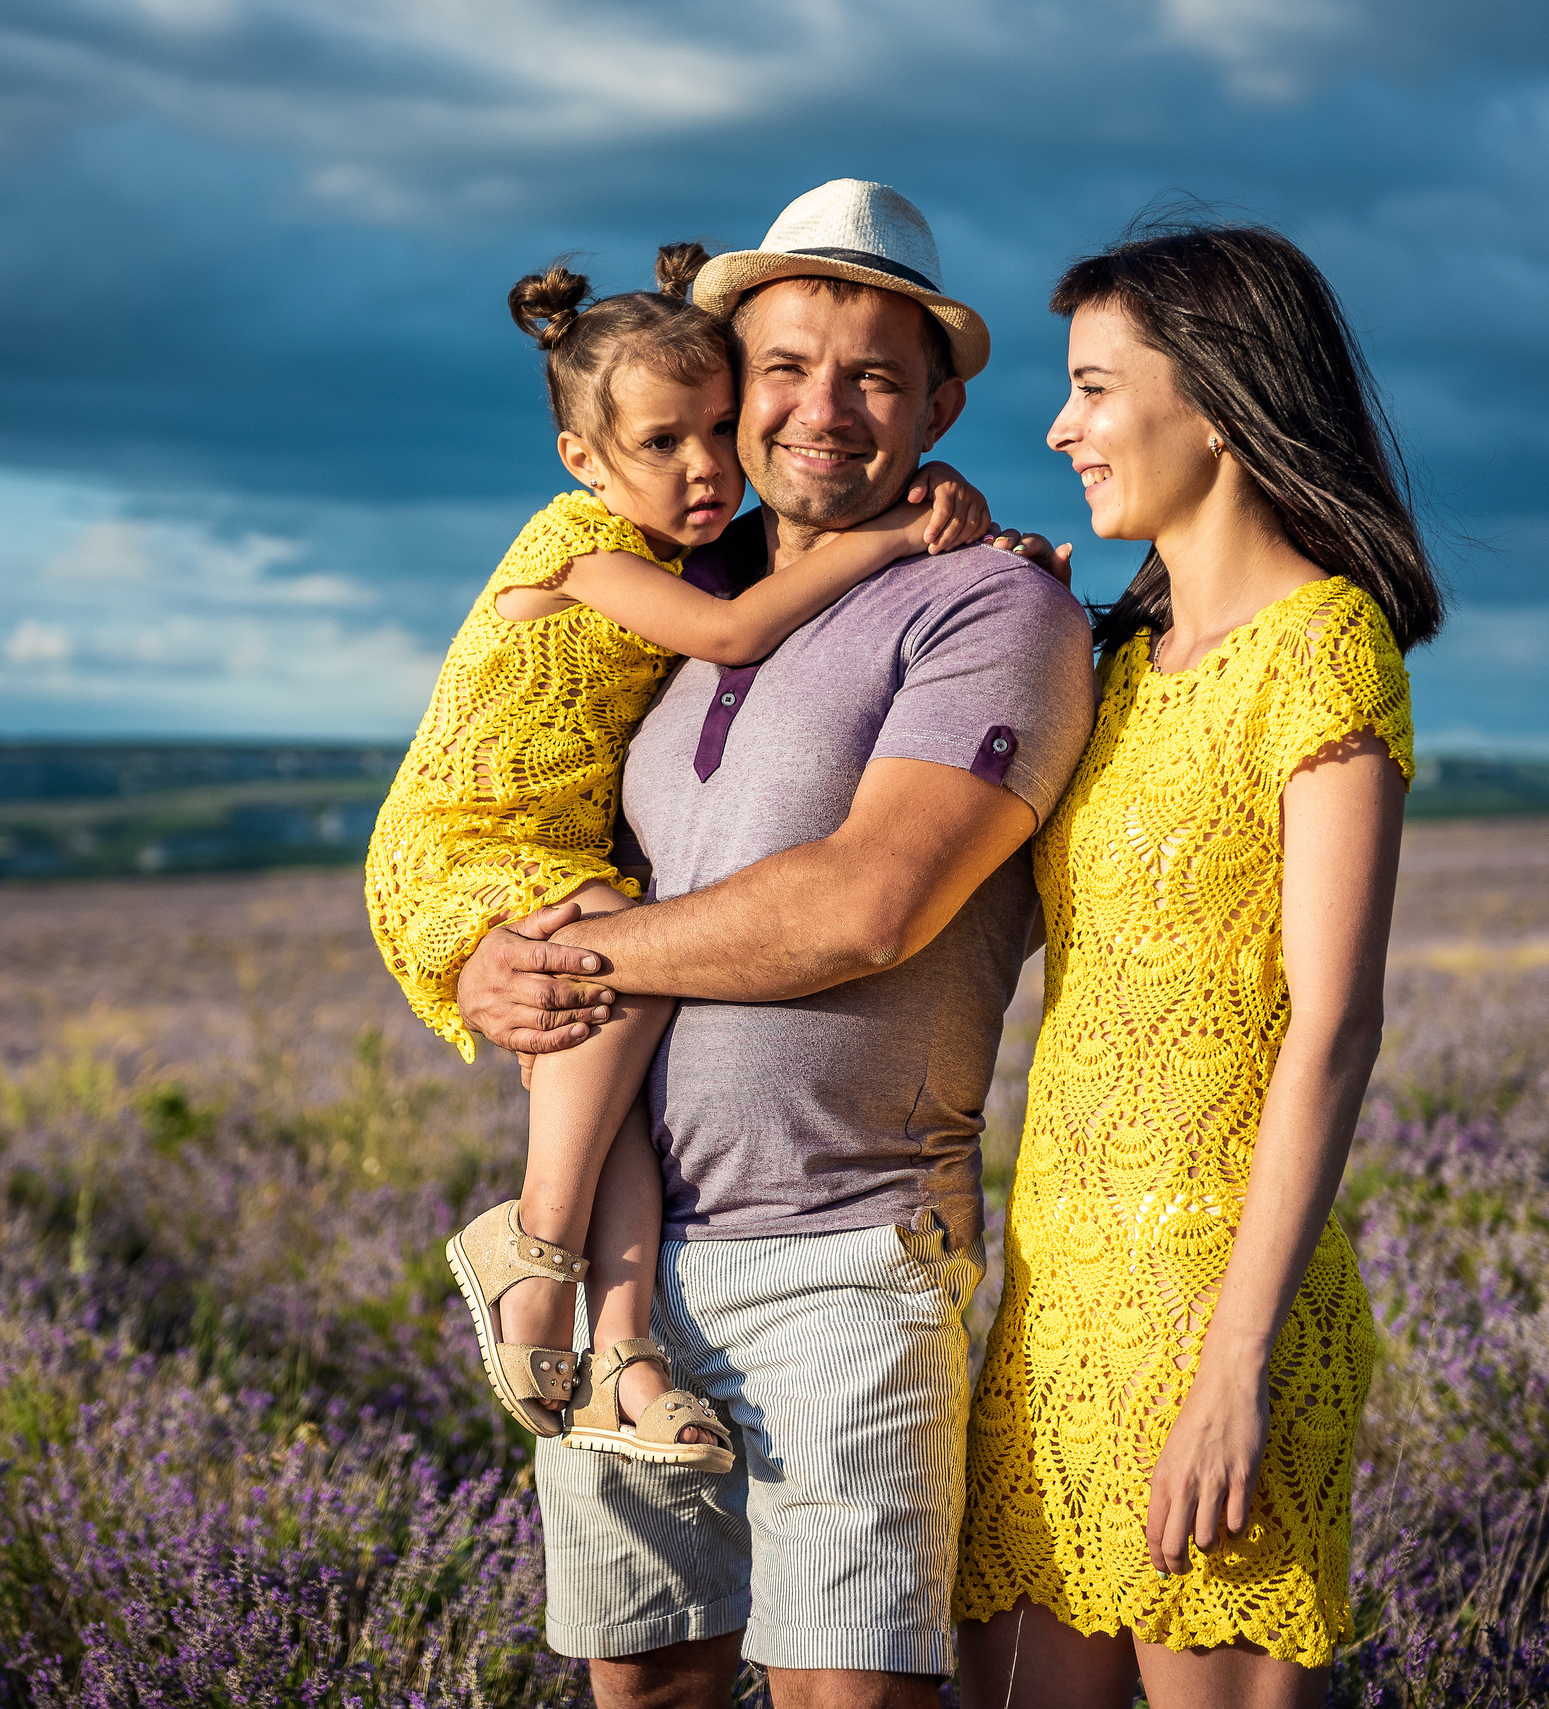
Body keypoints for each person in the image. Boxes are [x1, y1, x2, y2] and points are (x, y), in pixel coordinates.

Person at [453, 179, 1097, 1709]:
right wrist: (486, 960)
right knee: (647, 1687)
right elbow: (551, 837)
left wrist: (579, 961)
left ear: (940, 405)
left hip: (847, 1260)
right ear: (732, 387)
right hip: (627, 1263)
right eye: (787, 368)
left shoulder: (990, 604)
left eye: (875, 377)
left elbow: (867, 904)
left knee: (842, 1695)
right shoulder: (669, 598)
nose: (823, 409)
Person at [363, 243, 998, 1468]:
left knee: (614, 1080)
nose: (705, 465)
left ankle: (623, 1356)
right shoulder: (581, 548)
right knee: (621, 965)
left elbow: (806, 510)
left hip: (544, 842)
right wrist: (888, 536)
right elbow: (735, 628)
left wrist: (931, 496)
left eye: (716, 427)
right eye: (663, 442)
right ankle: (534, 1242)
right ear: (582, 459)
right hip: (469, 834)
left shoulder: (683, 540)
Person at [953, 218, 1445, 1709]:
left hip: (1212, 1310)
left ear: (1219, 401)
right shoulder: (1111, 663)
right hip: (1053, 1301)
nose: (1060, 427)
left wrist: (1234, 1366)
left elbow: (1334, 1028)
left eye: (1095, 388)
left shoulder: (1322, 647)